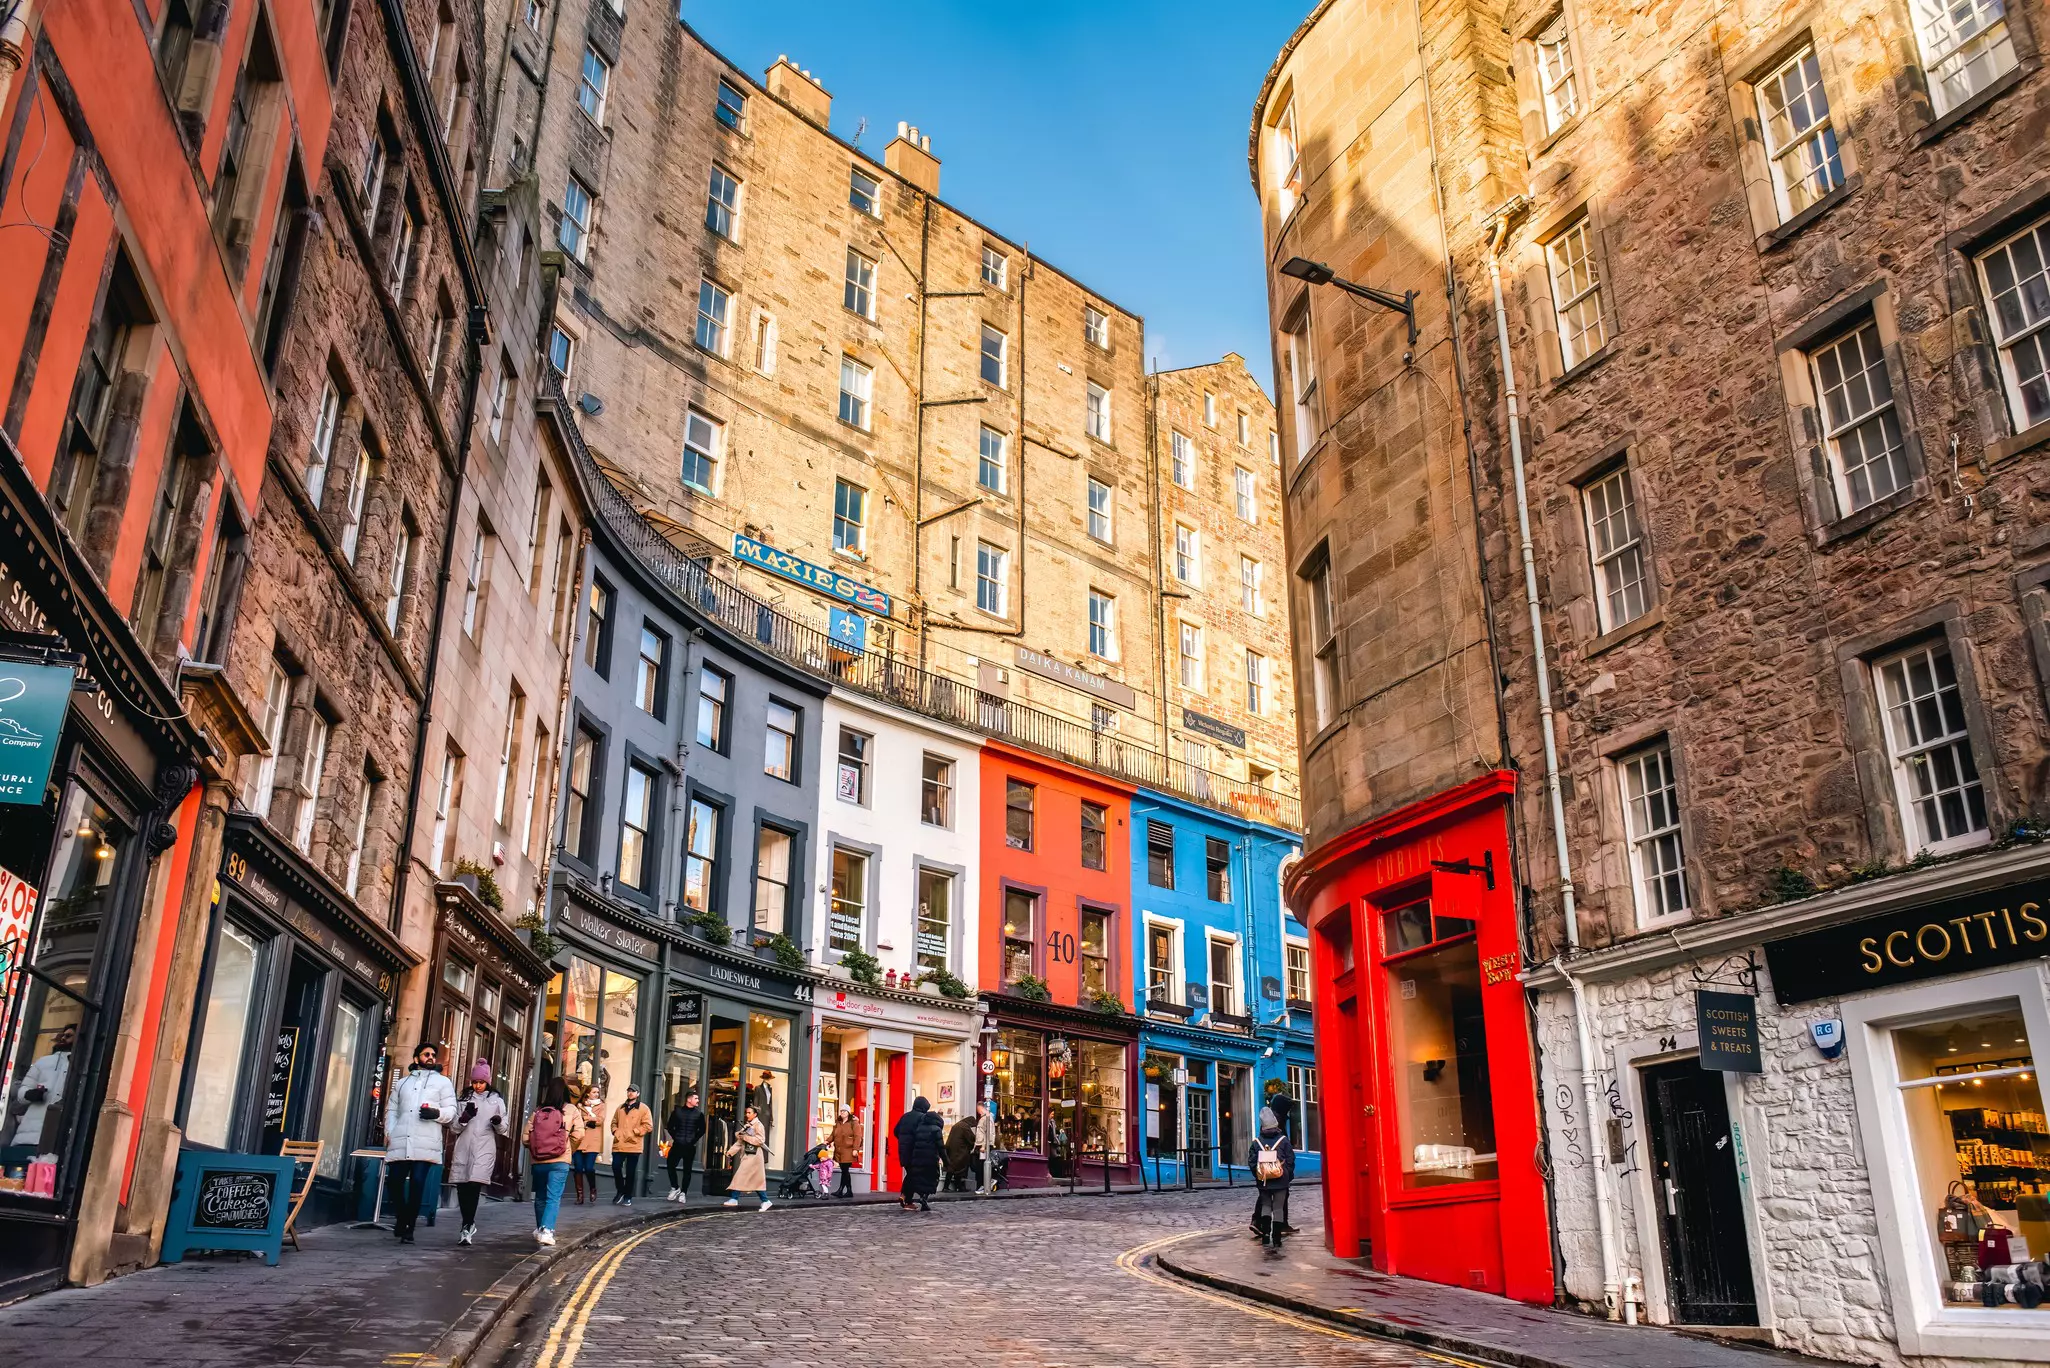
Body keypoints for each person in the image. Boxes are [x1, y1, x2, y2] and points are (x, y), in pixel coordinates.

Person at [383, 1042, 458, 1243]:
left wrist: (436, 1113)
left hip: (425, 1141)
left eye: (433, 1054)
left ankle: (410, 1227)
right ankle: (402, 1216)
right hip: (401, 1138)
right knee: (395, 1182)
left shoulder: (443, 1082)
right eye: (426, 1054)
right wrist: (390, 1131)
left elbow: (451, 1110)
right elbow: (392, 1109)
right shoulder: (403, 1083)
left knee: (417, 1183)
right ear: (417, 1058)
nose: (431, 1057)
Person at [447, 1059, 507, 1245]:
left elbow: (504, 1128)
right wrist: (464, 1118)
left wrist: (497, 1122)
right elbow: (454, 1128)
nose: (478, 1086)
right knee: (463, 1187)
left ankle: (467, 1226)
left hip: (485, 1148)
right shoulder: (464, 1100)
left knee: (474, 1185)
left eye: (481, 1082)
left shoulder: (496, 1101)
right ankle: (468, 1223)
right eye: (475, 1082)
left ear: (488, 1081)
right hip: (464, 1147)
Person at [522, 1076, 583, 1246]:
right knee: (553, 1197)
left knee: (541, 1196)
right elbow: (579, 1134)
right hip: (560, 1161)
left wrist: (538, 1148)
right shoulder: (571, 1109)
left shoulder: (539, 1110)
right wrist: (567, 1147)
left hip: (539, 1161)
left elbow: (525, 1137)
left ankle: (541, 1227)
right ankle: (547, 1230)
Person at [5, 1023, 74, 1164]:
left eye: (68, 1036)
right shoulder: (43, 1062)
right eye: (62, 1035)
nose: (62, 1039)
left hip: (59, 1138)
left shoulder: (81, 1065)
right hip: (29, 1136)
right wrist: (31, 1094)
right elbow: (22, 1091)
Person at [1248, 1107, 1297, 1246]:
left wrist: (1259, 1175)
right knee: (1278, 1207)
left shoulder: (1256, 1143)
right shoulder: (1284, 1140)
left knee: (1266, 1206)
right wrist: (1287, 1174)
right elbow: (1291, 1159)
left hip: (1264, 1181)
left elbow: (1251, 1162)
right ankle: (1276, 1238)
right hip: (1281, 1180)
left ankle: (1265, 1235)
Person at [892, 1095, 944, 1212]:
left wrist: (903, 1141)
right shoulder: (922, 1118)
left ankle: (906, 1197)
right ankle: (907, 1197)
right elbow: (922, 1134)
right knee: (914, 1175)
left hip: (903, 1151)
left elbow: (896, 1131)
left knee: (910, 1174)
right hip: (916, 1151)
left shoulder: (905, 1117)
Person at [722, 1104, 772, 1210]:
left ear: (755, 1114)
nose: (747, 1115)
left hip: (755, 1155)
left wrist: (745, 1137)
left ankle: (734, 1199)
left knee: (740, 1175)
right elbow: (740, 1142)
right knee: (756, 1180)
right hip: (748, 1154)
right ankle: (765, 1201)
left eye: (749, 1113)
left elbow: (760, 1140)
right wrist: (730, 1152)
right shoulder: (748, 1125)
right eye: (746, 1113)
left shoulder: (759, 1125)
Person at [609, 1082, 653, 1206]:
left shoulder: (643, 1108)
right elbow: (613, 1122)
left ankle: (628, 1196)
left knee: (630, 1172)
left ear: (638, 1094)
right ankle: (620, 1191)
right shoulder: (620, 1108)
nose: (630, 1093)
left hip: (634, 1144)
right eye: (629, 1090)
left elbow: (648, 1126)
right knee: (616, 1167)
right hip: (619, 1143)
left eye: (633, 1091)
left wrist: (636, 1132)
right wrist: (615, 1131)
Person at [664, 1088, 705, 1201]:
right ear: (689, 1099)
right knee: (670, 1164)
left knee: (687, 1169)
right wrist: (676, 1137)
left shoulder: (699, 1114)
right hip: (678, 1144)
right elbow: (670, 1126)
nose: (698, 1100)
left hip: (689, 1146)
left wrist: (693, 1140)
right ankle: (675, 1187)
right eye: (696, 1098)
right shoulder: (677, 1112)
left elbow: (702, 1130)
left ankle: (683, 1193)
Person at [571, 1082, 605, 1205]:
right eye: (594, 1092)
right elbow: (575, 1120)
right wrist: (588, 1120)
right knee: (578, 1168)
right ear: (587, 1093)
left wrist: (586, 1119)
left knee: (589, 1167)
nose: (596, 1094)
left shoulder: (601, 1106)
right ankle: (580, 1196)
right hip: (579, 1140)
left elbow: (600, 1120)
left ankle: (592, 1188)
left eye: (597, 1092)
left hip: (593, 1141)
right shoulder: (579, 1106)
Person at [829, 1108, 860, 1198]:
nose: (842, 1112)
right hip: (839, 1150)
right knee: (844, 1170)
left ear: (848, 1113)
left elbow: (858, 1137)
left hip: (849, 1150)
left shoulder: (854, 1123)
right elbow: (833, 1134)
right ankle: (848, 1191)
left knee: (845, 1170)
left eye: (844, 1111)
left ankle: (841, 1190)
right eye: (841, 1111)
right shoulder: (838, 1123)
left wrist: (855, 1149)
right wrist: (827, 1141)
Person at [943, 1110, 977, 1192]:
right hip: (960, 1151)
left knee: (951, 1169)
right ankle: (959, 1187)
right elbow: (971, 1138)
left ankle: (947, 1187)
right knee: (960, 1169)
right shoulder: (965, 1127)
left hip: (952, 1150)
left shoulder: (957, 1125)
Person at [973, 1103, 997, 1195]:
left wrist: (984, 1146)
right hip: (981, 1145)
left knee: (981, 1167)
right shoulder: (984, 1118)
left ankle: (985, 1184)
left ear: (981, 1108)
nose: (978, 1112)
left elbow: (989, 1133)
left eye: (978, 1109)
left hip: (983, 1146)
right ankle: (984, 1184)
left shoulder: (987, 1118)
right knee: (979, 1166)